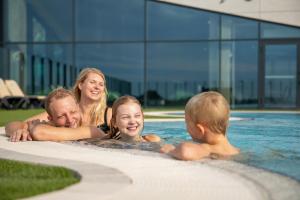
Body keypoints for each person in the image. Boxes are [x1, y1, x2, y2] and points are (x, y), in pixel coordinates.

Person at [25, 67, 112, 132]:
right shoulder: (64, 110)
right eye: (92, 82)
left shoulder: (108, 114)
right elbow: (20, 125)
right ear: (80, 85)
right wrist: (23, 131)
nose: (97, 87)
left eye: (101, 84)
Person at [160, 91, 239, 160]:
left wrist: (171, 150)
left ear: (199, 130)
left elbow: (185, 151)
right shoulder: (236, 150)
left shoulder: (208, 149)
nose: (186, 128)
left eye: (187, 123)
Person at [6, 88, 105, 142]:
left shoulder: (91, 130)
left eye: (73, 112)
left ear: (78, 108)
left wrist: (33, 129)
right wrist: (20, 131)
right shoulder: (50, 124)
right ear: (51, 118)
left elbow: (38, 132)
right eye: (61, 116)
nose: (70, 120)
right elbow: (10, 125)